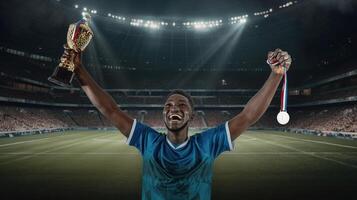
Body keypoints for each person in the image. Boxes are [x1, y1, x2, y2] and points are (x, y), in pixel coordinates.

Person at [63, 47, 291, 199]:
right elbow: (109, 109)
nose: (173, 108)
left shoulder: (207, 143)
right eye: (168, 106)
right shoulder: (148, 140)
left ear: (192, 115)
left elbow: (248, 115)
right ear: (163, 115)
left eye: (182, 105)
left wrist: (276, 75)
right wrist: (80, 71)